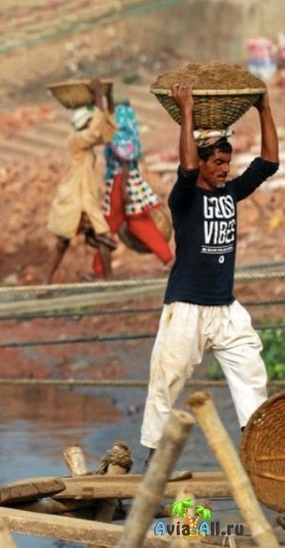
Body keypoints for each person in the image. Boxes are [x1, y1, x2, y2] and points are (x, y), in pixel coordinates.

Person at [139, 84, 279, 474]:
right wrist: (186, 112)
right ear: (201, 162)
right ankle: (153, 466)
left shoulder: (231, 192)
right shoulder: (183, 200)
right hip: (187, 307)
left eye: (226, 162)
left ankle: (259, 460)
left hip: (225, 307)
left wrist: (264, 108)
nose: (224, 169)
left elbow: (269, 162)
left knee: (252, 375)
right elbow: (184, 169)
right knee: (165, 383)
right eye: (217, 162)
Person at [46, 79, 116, 284]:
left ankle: (110, 281)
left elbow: (106, 133)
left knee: (101, 238)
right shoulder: (75, 140)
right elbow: (96, 131)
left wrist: (108, 98)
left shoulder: (86, 143)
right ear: (82, 124)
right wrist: (97, 97)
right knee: (67, 241)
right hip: (75, 199)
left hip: (85, 199)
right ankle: (46, 280)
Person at [92, 102, 173, 276]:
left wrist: (123, 191)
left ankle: (100, 271)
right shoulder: (130, 138)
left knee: (106, 226)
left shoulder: (121, 140)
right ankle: (168, 258)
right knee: (139, 224)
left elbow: (125, 165)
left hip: (120, 184)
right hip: (129, 184)